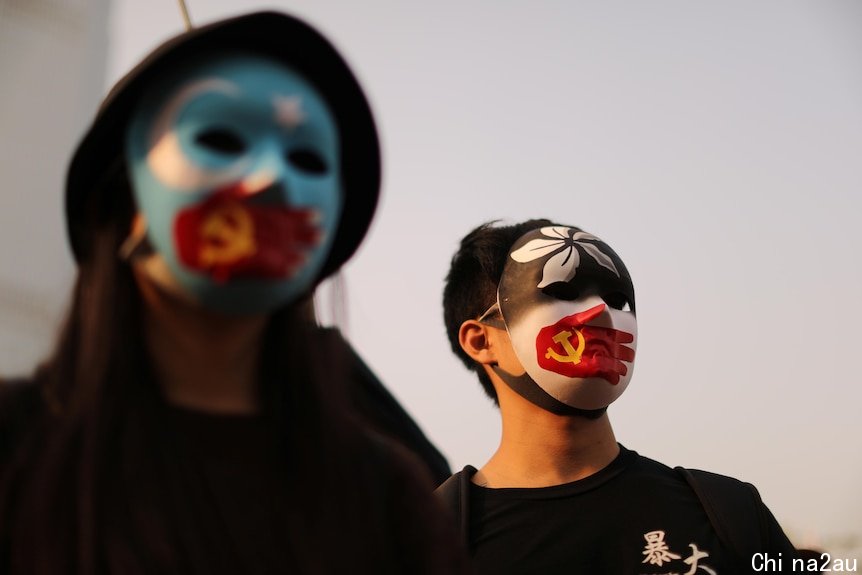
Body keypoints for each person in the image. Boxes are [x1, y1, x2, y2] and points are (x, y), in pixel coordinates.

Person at [0, 12, 465, 574]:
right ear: (122, 201)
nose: (274, 179)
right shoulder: (14, 448)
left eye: (309, 159)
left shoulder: (388, 498)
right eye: (221, 139)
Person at [438, 218, 797, 574]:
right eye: (563, 292)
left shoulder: (731, 515)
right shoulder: (426, 539)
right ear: (481, 341)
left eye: (618, 299)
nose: (603, 315)